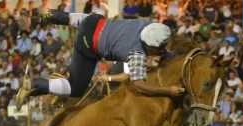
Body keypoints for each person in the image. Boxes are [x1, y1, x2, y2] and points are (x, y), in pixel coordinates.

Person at [15, 9, 185, 110]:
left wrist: (169, 55)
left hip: (93, 22)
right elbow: (140, 84)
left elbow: (162, 42)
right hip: (89, 44)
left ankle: (55, 15)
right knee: (76, 87)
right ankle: (36, 84)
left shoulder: (146, 25)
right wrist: (168, 91)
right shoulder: (136, 54)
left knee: (87, 20)